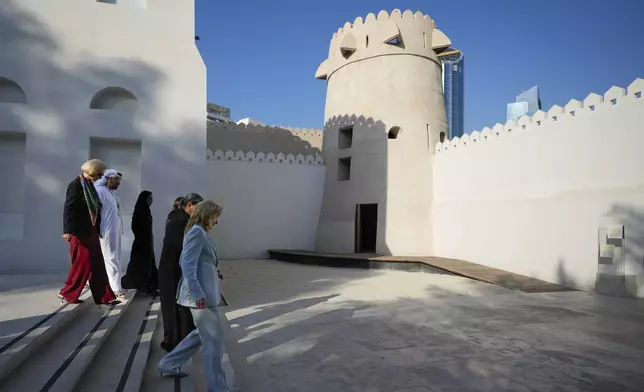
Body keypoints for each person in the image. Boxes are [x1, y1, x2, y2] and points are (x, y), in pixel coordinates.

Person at [158, 200, 228, 392]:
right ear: (207, 214)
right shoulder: (197, 232)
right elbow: (187, 265)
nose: (217, 222)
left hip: (206, 295)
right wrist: (197, 294)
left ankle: (168, 364)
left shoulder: (202, 232)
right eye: (216, 217)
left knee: (199, 335)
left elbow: (202, 262)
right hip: (199, 297)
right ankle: (218, 388)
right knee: (213, 345)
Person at [59, 159, 117, 305]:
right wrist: (67, 231)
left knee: (98, 265)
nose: (100, 177)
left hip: (91, 231)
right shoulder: (76, 185)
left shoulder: (90, 185)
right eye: (99, 174)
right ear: (92, 172)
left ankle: (104, 297)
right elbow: (69, 208)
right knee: (82, 264)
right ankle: (67, 292)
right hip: (79, 232)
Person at [158, 193, 203, 352]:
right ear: (190, 205)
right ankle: (175, 341)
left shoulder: (176, 216)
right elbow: (182, 247)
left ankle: (183, 337)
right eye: (198, 206)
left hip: (171, 267)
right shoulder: (181, 221)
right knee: (174, 306)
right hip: (172, 269)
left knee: (180, 306)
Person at [121, 190, 159, 295]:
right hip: (141, 244)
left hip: (147, 243)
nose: (151, 201)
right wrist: (142, 237)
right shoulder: (140, 211)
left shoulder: (146, 211)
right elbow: (135, 227)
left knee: (149, 265)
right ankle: (143, 286)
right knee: (141, 266)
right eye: (149, 199)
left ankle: (150, 285)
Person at [95, 169, 125, 299]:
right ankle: (115, 288)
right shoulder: (100, 191)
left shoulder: (111, 193)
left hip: (114, 230)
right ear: (107, 179)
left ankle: (114, 286)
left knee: (115, 258)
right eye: (116, 180)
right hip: (106, 231)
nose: (118, 183)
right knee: (111, 258)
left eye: (119, 181)